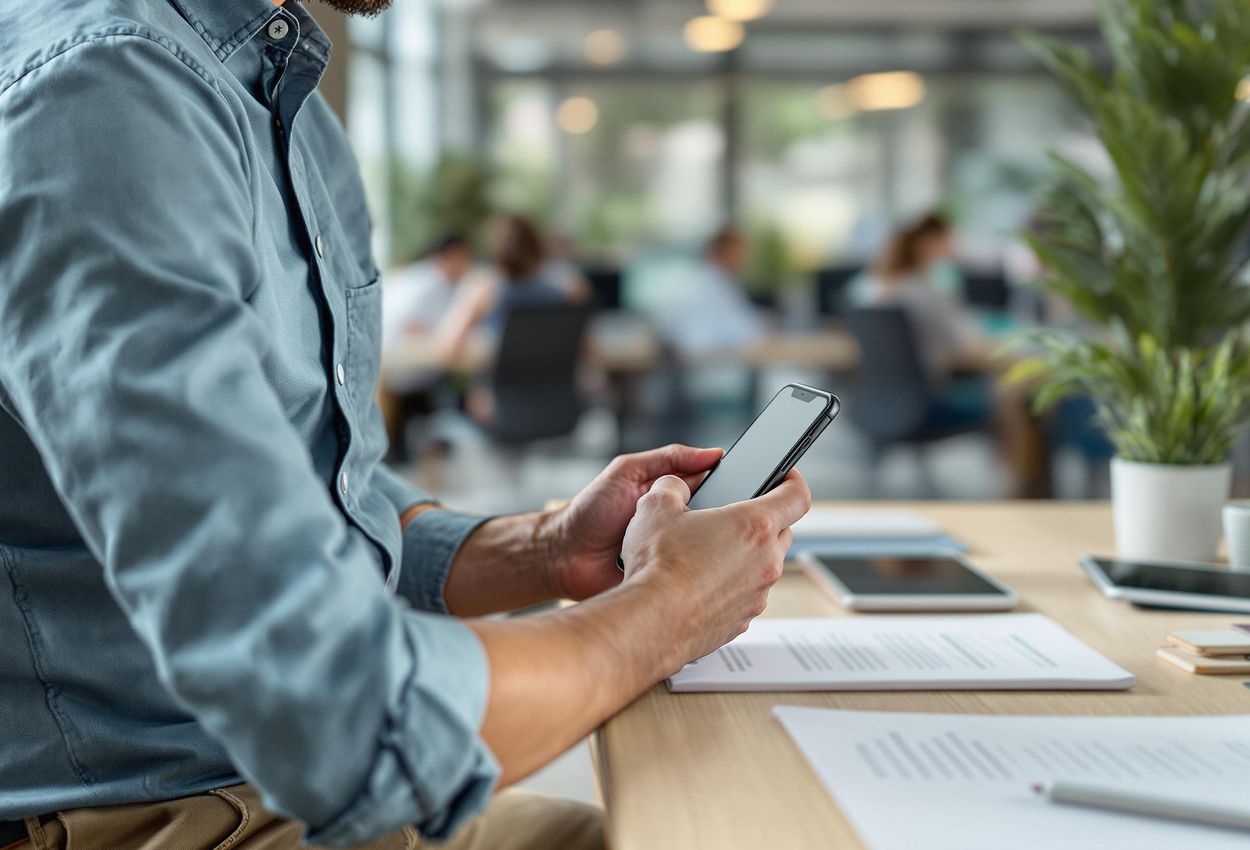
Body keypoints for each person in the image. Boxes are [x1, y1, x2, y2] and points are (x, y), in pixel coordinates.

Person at [0, 5, 812, 850]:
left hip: (257, 785)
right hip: (164, 811)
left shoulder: (276, 96)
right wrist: (671, 607)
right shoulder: (104, 100)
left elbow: (308, 481)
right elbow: (338, 714)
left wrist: (547, 550)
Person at [849, 213, 983, 381]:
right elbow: (962, 345)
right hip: (933, 386)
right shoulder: (928, 293)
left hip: (882, 388)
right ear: (930, 243)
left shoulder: (872, 288)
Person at [666, 226, 767, 358]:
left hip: (719, 358)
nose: (745, 258)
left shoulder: (718, 282)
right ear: (722, 252)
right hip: (712, 362)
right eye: (739, 252)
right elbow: (743, 334)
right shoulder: (707, 286)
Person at [382, 232, 479, 349]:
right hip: (397, 349)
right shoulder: (427, 280)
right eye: (463, 257)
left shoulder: (439, 278)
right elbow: (405, 323)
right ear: (451, 255)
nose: (467, 264)